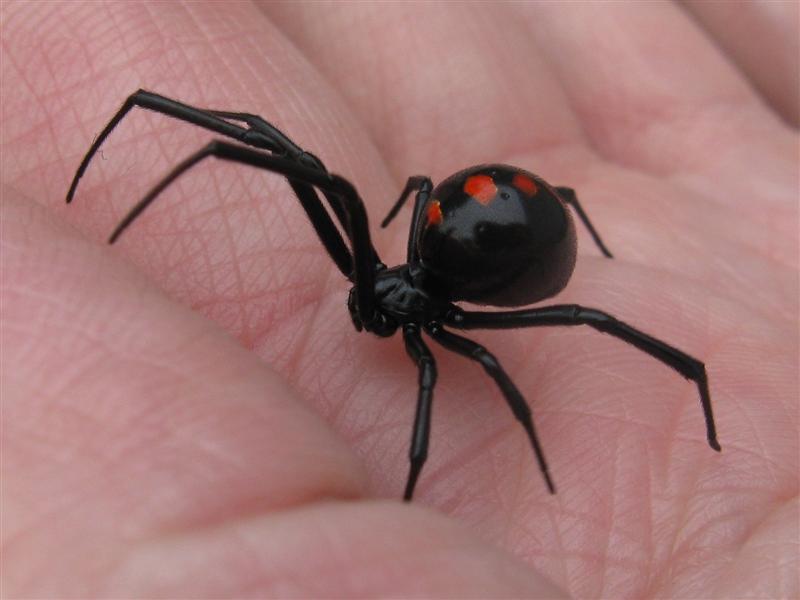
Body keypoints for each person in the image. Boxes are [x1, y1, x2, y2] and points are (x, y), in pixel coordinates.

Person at [2, 2, 796, 597]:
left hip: (513, 256)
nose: (369, 301)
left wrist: (535, 456)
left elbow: (500, 359)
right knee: (282, 151)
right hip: (483, 224)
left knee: (574, 321)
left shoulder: (439, 331)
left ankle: (678, 405)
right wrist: (192, 130)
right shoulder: (392, 273)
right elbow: (263, 144)